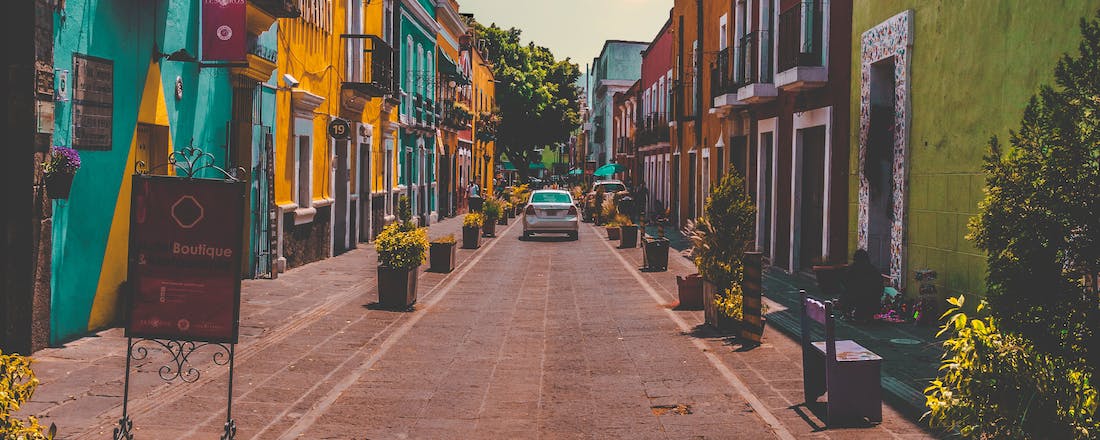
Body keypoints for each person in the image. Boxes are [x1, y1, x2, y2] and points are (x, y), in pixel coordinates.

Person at [844, 249, 883, 323]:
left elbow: (846, 285)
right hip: (873, 303)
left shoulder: (851, 270)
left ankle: (853, 312)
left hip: (857, 301)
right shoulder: (874, 270)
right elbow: (880, 288)